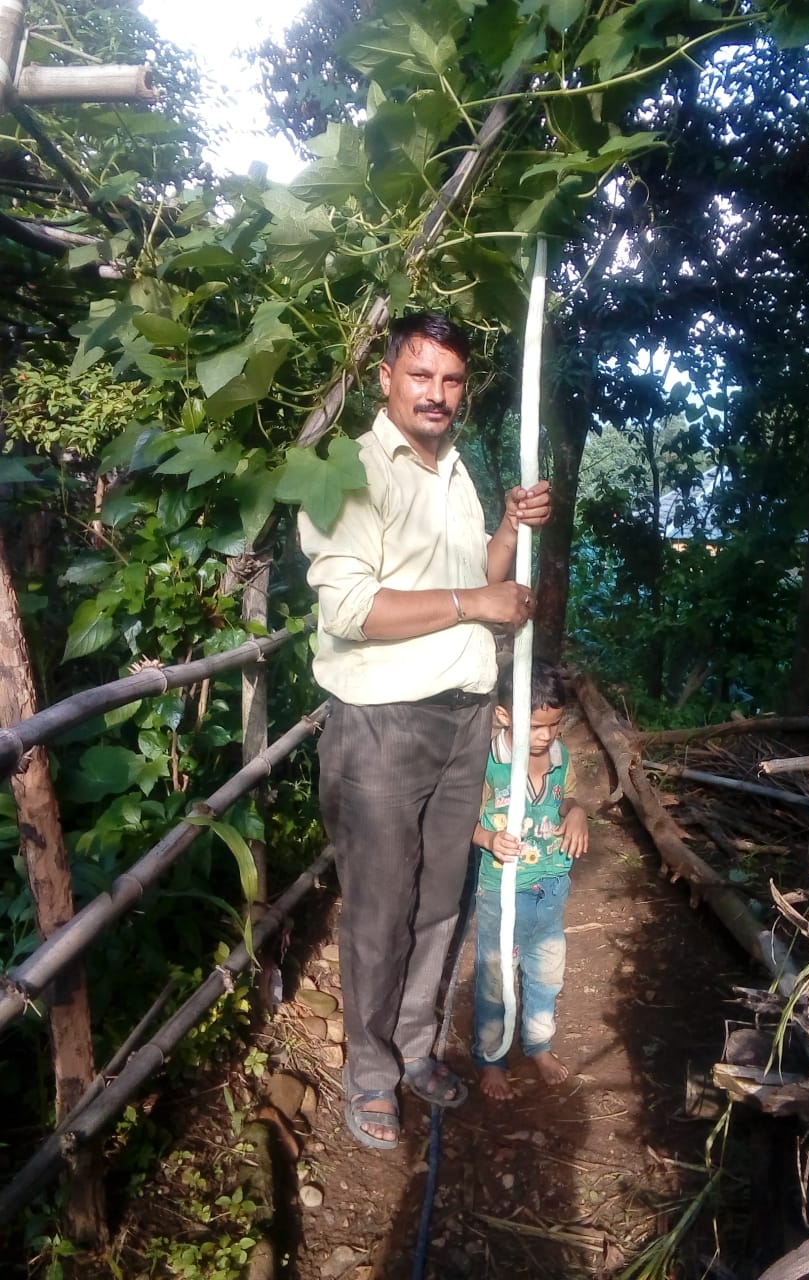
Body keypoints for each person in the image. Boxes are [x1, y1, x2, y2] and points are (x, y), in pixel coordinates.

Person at [298, 311, 551, 1150]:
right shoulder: (348, 471)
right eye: (420, 375)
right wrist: (479, 605)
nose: (436, 393)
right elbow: (351, 607)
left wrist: (512, 527)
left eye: (449, 380)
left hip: (463, 717)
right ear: (385, 378)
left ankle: (411, 1048)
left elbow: (476, 575)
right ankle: (368, 1076)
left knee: (442, 900)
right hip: (381, 725)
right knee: (380, 909)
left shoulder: (454, 470)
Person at [471, 658, 589, 1101]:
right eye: (537, 727)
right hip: (502, 891)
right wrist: (486, 837)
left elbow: (567, 798)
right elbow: (459, 818)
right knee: (495, 980)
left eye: (554, 726)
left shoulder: (561, 757)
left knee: (546, 973)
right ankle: (490, 1058)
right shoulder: (486, 762)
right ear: (503, 716)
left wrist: (576, 813)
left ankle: (538, 1045)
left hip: (552, 888)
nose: (546, 737)